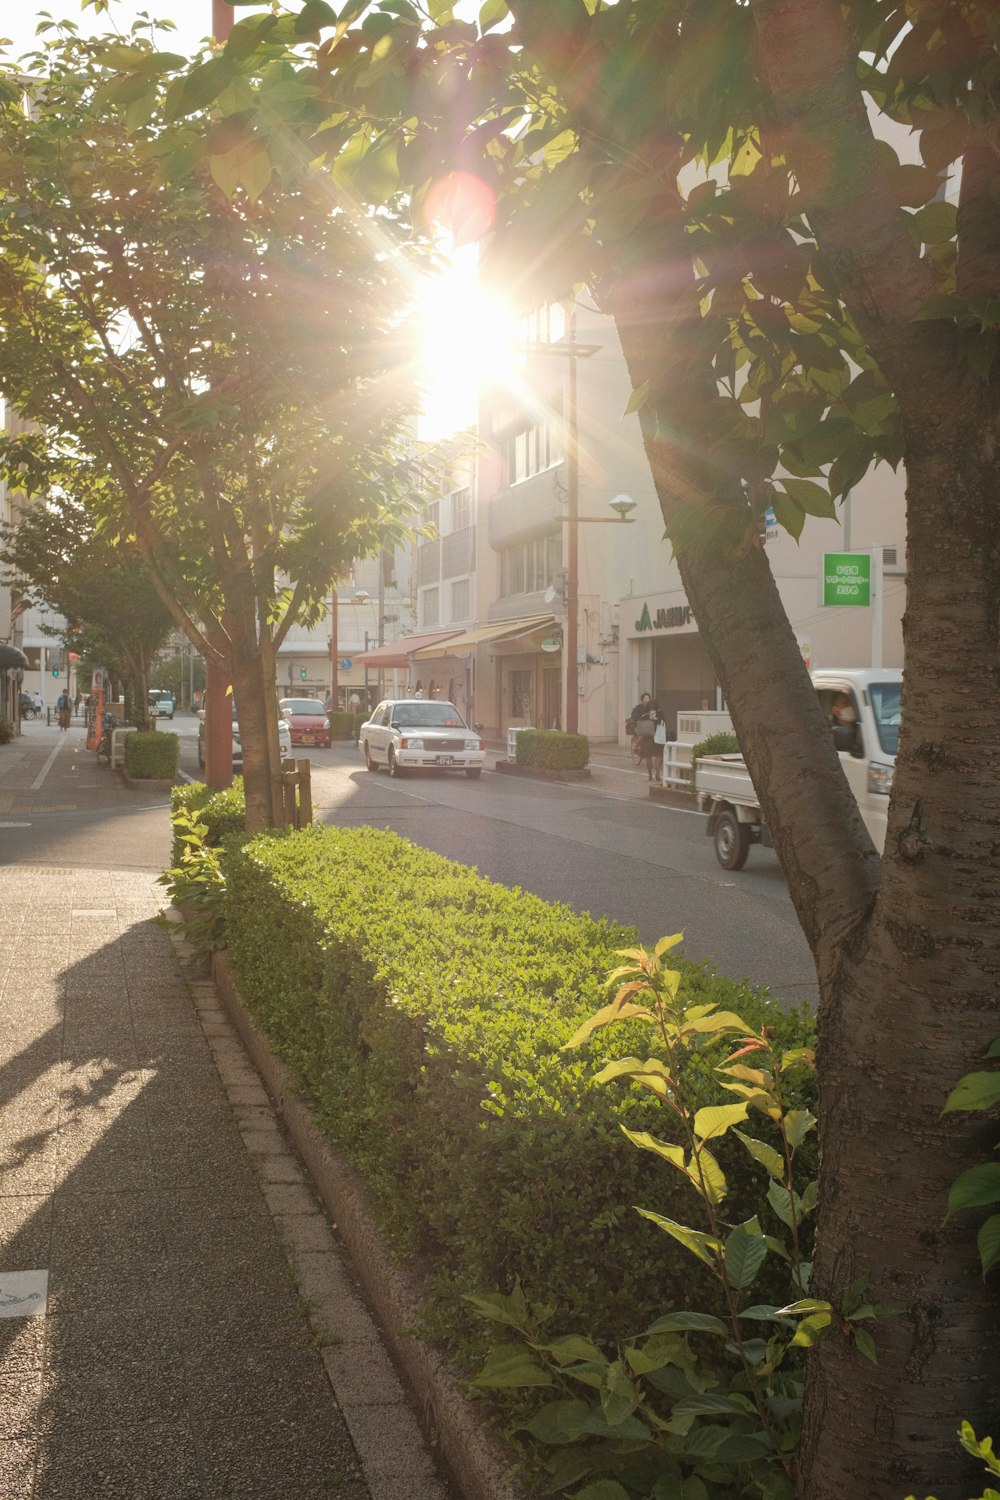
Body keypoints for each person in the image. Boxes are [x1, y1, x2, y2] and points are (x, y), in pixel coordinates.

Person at [630, 692, 663, 783]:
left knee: (650, 756)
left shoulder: (648, 713)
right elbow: (663, 722)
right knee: (657, 755)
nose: (647, 700)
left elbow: (638, 720)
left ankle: (652, 775)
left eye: (648, 698)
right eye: (645, 698)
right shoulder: (658, 712)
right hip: (653, 736)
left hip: (649, 736)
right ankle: (655, 774)